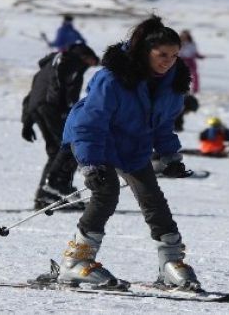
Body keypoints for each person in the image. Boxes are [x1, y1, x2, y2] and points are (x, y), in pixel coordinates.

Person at [57, 15, 200, 290]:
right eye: (162, 55)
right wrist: (91, 165)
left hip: (132, 145)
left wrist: (170, 156)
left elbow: (162, 124)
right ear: (146, 52)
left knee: (152, 198)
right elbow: (90, 122)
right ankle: (75, 261)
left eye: (174, 55)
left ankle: (170, 262)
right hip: (93, 139)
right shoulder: (112, 79)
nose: (168, 61)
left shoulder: (172, 84)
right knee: (106, 192)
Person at [21, 43, 99, 210]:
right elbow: (63, 89)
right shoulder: (70, 62)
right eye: (92, 62)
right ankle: (58, 187)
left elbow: (32, 93)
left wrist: (27, 121)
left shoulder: (51, 63)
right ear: (85, 57)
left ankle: (45, 195)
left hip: (38, 109)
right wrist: (68, 111)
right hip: (51, 108)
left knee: (54, 152)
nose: (90, 66)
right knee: (69, 148)